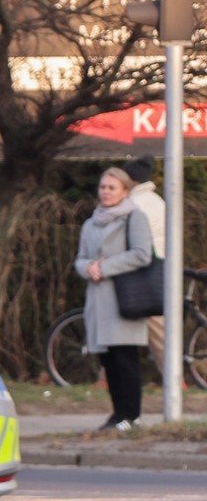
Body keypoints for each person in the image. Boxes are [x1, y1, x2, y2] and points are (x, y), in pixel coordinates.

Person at [76, 165, 153, 431]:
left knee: (125, 358)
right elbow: (80, 258)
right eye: (103, 187)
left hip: (124, 299)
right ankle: (117, 413)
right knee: (108, 360)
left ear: (124, 191)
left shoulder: (134, 217)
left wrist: (105, 267)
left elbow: (143, 253)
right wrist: (88, 268)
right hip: (98, 300)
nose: (106, 192)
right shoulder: (90, 223)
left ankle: (132, 414)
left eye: (112, 187)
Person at [124, 154, 168, 364]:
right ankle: (104, 377)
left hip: (145, 271)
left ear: (132, 179)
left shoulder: (134, 203)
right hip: (159, 267)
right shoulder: (157, 201)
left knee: (155, 326)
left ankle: (176, 379)